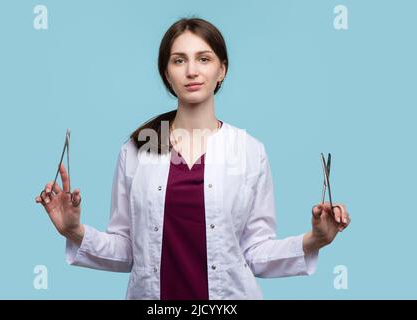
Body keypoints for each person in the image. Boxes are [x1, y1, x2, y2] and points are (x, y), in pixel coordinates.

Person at [35, 17, 350, 300]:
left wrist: (314, 240)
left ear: (221, 70)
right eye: (178, 60)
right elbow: (130, 252)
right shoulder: (138, 148)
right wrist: (74, 231)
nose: (192, 71)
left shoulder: (249, 150)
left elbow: (254, 253)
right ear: (166, 73)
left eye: (203, 58)